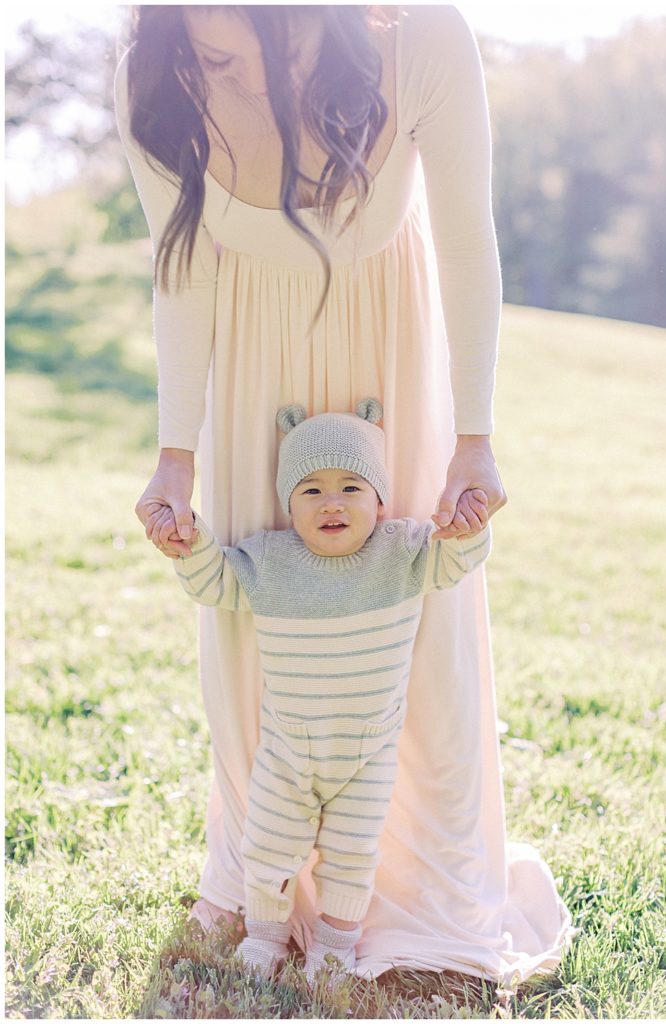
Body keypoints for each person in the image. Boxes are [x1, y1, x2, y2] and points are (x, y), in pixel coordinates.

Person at [115, 4, 571, 985]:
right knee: (254, 615)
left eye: (256, 46)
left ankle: (421, 890)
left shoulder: (420, 40)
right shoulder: (154, 82)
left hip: (392, 349)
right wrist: (174, 454)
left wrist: (474, 435)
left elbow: (463, 239)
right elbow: (180, 274)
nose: (231, 71)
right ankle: (262, 878)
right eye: (208, 50)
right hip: (249, 368)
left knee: (413, 602)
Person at [168, 401, 491, 982]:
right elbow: (216, 583)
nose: (332, 502)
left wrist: (469, 524)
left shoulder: (402, 552)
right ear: (288, 504)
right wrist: (187, 544)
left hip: (366, 754)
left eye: (351, 486)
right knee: (268, 847)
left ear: (380, 500)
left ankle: (335, 945)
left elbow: (454, 561)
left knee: (351, 858)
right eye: (310, 491)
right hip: (288, 747)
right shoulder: (270, 560)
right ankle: (265, 935)